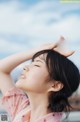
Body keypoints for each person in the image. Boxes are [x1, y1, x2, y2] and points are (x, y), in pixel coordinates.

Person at [0, 37, 79, 122]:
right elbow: (1, 70)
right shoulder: (22, 110)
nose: (25, 67)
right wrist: (39, 50)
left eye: (37, 65)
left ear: (55, 85)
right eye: (32, 63)